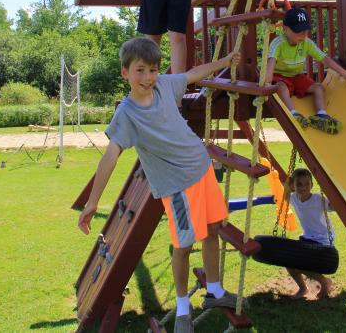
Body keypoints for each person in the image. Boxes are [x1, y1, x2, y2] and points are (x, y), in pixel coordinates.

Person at [78, 37, 241, 333]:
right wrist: (92, 201)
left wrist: (225, 61)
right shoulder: (126, 115)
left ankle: (215, 291)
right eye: (140, 70)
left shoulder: (164, 85)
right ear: (124, 73)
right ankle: (182, 310)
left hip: (201, 169)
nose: (148, 77)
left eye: (152, 70)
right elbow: (109, 158)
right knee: (183, 245)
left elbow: (193, 74)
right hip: (177, 187)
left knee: (214, 229)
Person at [265, 7, 346, 134]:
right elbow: (271, 62)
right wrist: (266, 83)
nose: (303, 35)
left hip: (296, 77)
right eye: (298, 31)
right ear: (285, 29)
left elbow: (325, 60)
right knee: (281, 87)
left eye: (305, 31)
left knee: (318, 88)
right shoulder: (278, 43)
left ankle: (321, 115)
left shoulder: (306, 43)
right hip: (280, 77)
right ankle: (294, 114)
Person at [285, 168, 335, 300]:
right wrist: (286, 184)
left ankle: (324, 282)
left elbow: (334, 206)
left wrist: (328, 187)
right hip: (307, 237)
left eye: (307, 184)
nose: (303, 187)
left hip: (323, 239)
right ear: (293, 186)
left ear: (312, 185)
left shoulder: (319, 200)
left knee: (300, 262)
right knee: (287, 259)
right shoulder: (294, 198)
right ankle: (303, 288)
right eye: (299, 184)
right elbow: (285, 195)